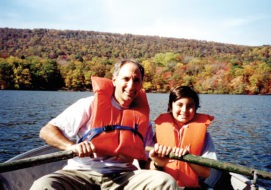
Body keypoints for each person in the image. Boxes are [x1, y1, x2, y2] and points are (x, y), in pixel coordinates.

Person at [30, 59, 177, 190]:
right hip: (80, 173)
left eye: (136, 80)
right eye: (125, 79)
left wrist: (158, 164)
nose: (131, 85)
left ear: (141, 84)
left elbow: (146, 165)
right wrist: (71, 146)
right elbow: (47, 131)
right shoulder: (89, 104)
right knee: (43, 186)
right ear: (114, 80)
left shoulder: (142, 119)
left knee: (165, 182)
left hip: (124, 176)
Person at [149, 86, 220, 189]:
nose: (184, 110)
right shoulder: (158, 133)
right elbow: (148, 169)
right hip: (164, 186)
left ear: (196, 108)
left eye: (190, 106)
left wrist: (188, 159)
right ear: (170, 106)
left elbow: (206, 173)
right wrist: (157, 163)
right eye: (180, 105)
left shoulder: (205, 137)